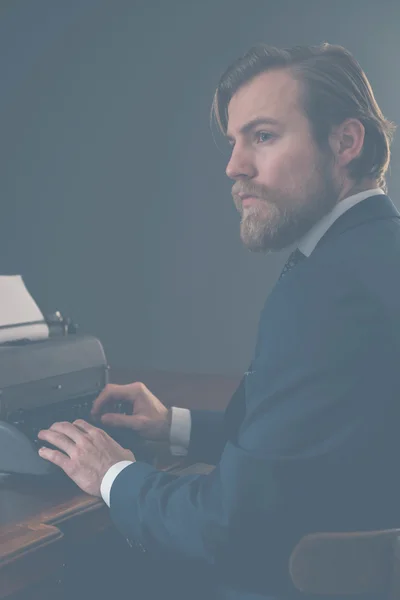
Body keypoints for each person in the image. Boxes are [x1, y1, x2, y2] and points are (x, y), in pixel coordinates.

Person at [38, 43, 400, 600]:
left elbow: (226, 529)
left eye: (263, 136)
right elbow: (310, 445)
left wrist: (111, 474)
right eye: (235, 142)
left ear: (346, 142)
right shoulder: (373, 255)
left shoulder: (327, 291)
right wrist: (176, 427)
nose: (234, 166)